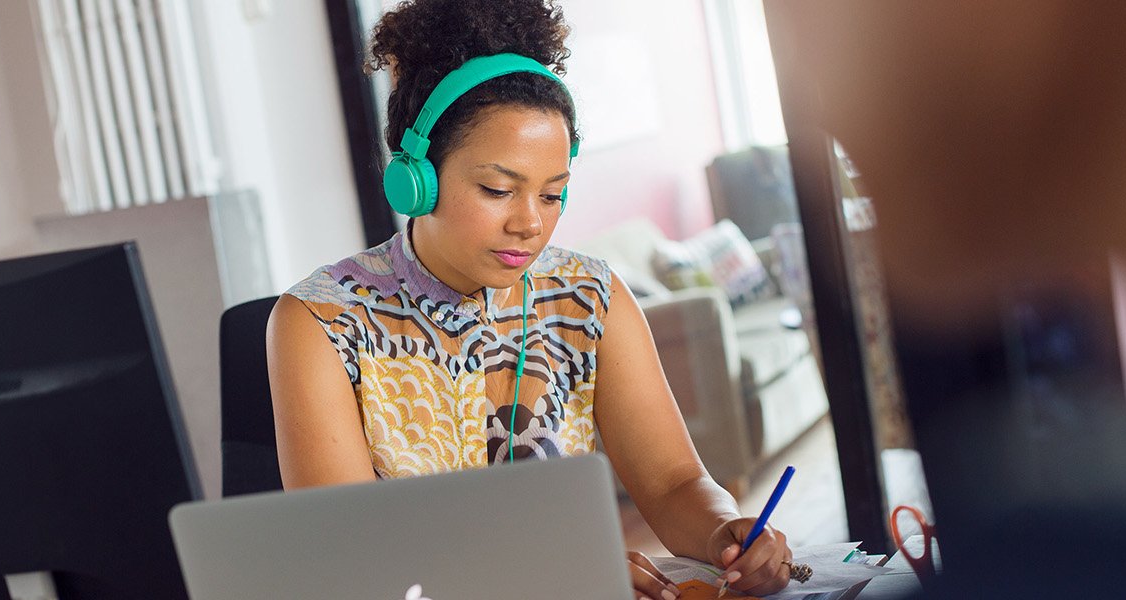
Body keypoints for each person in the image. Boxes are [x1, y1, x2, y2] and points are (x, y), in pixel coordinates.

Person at [266, 0, 794, 597]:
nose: (531, 225)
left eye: (552, 194)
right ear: (417, 178)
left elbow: (674, 483)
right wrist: (549, 568)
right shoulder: (319, 321)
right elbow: (350, 553)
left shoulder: (588, 297)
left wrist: (729, 531)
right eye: (498, 189)